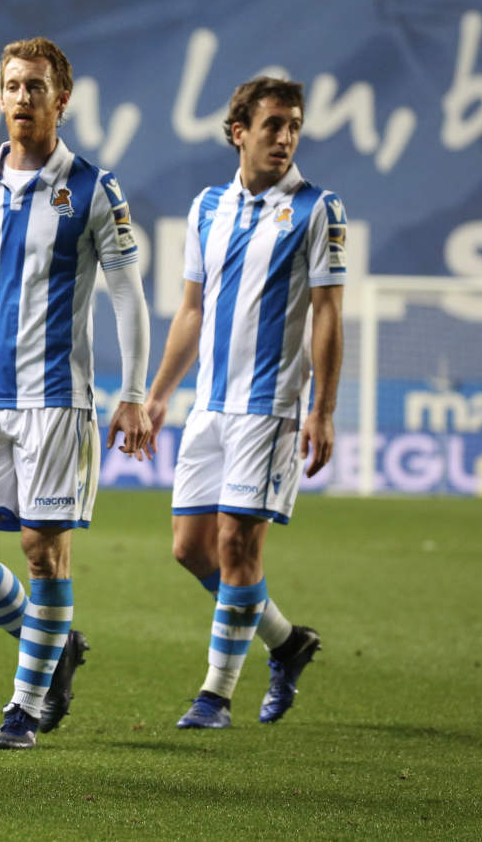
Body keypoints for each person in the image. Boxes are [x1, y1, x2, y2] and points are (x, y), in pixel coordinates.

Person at [0, 37, 151, 750]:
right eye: (12, 85)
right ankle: (53, 642)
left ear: (62, 100)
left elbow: (127, 293)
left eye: (36, 86)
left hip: (58, 401)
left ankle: (25, 707)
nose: (22, 97)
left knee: (40, 549)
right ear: (0, 97)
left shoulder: (93, 187)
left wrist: (135, 392)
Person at [144, 76, 342, 729]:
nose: (284, 137)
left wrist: (321, 408)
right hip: (210, 404)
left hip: (271, 404)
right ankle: (286, 642)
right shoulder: (207, 208)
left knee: (237, 546)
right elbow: (192, 312)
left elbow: (328, 316)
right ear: (239, 133)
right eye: (272, 125)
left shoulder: (317, 210)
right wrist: (157, 396)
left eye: (293, 126)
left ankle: (216, 695)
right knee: (189, 548)